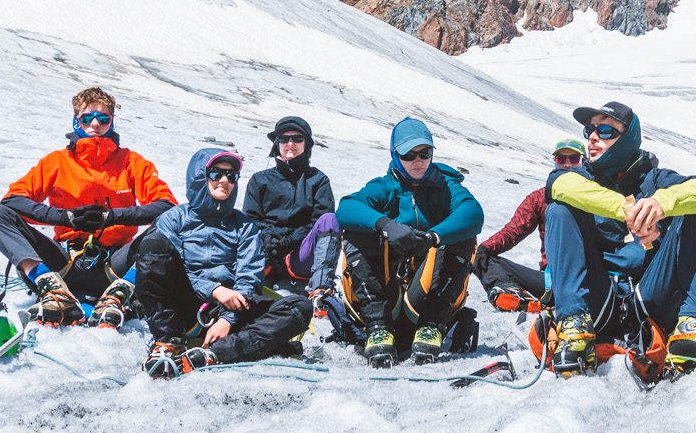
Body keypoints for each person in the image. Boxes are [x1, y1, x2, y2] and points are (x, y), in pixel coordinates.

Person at [542, 101, 696, 377]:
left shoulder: (654, 180)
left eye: (605, 130)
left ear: (627, 139)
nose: (593, 137)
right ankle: (574, 325)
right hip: (598, 301)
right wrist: (628, 211)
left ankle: (695, 327)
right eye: (590, 130)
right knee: (560, 209)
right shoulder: (578, 178)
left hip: (649, 297)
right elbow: (558, 185)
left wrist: (660, 204)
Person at [0, 87, 176, 327]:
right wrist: (65, 218)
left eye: (103, 118)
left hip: (115, 265)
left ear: (111, 122)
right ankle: (47, 283)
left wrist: (113, 217)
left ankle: (121, 292)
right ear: (76, 120)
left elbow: (167, 206)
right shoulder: (57, 161)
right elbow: (12, 201)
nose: (95, 123)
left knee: (173, 223)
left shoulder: (131, 162)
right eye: (87, 118)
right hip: (64, 263)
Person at [134, 147, 313, 378]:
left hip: (229, 310)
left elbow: (249, 278)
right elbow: (171, 269)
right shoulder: (174, 218)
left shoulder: (244, 226)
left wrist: (228, 319)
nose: (225, 180)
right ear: (200, 176)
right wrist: (215, 290)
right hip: (182, 304)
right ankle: (168, 342)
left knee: (299, 307)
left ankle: (215, 354)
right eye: (216, 173)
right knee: (153, 245)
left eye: (231, 175)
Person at [335, 118, 483, 366]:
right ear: (395, 155)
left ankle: (431, 326)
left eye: (425, 153)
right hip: (384, 298)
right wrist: (386, 226)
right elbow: (346, 208)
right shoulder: (384, 187)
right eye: (409, 154)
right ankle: (378, 326)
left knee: (461, 235)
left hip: (426, 300)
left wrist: (432, 237)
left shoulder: (447, 187)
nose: (418, 161)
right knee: (357, 230)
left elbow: (473, 213)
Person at [472, 137, 585, 313]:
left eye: (574, 159)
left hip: (586, 282)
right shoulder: (539, 198)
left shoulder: (598, 197)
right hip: (550, 282)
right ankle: (511, 294)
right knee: (483, 258)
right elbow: (513, 230)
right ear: (555, 163)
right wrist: (484, 249)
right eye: (562, 159)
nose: (568, 164)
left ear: (583, 162)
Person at [241, 115, 340, 307]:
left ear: (307, 144)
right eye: (284, 139)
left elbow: (319, 220)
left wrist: (289, 240)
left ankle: (320, 291)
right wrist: (268, 238)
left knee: (330, 220)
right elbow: (251, 218)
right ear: (276, 144)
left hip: (300, 255)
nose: (290, 143)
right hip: (266, 253)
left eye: (297, 138)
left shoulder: (318, 180)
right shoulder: (259, 180)